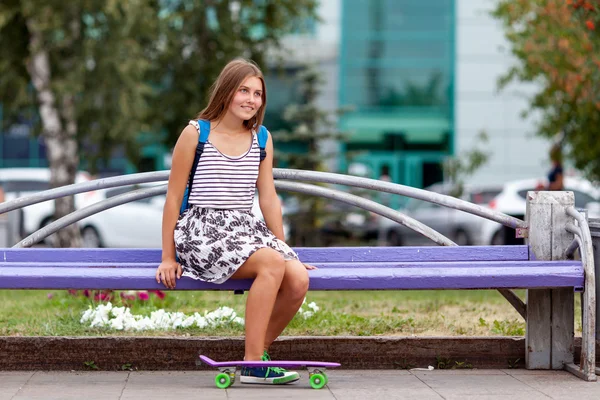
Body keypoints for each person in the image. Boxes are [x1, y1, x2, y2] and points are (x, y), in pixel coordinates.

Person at [155, 59, 314, 385]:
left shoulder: (261, 138)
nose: (251, 99)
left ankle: (254, 354)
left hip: (244, 229)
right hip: (202, 230)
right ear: (227, 91)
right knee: (271, 264)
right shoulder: (195, 134)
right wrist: (168, 256)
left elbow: (268, 197)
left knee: (297, 278)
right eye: (244, 90)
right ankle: (255, 363)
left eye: (257, 93)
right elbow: (173, 198)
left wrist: (284, 247)